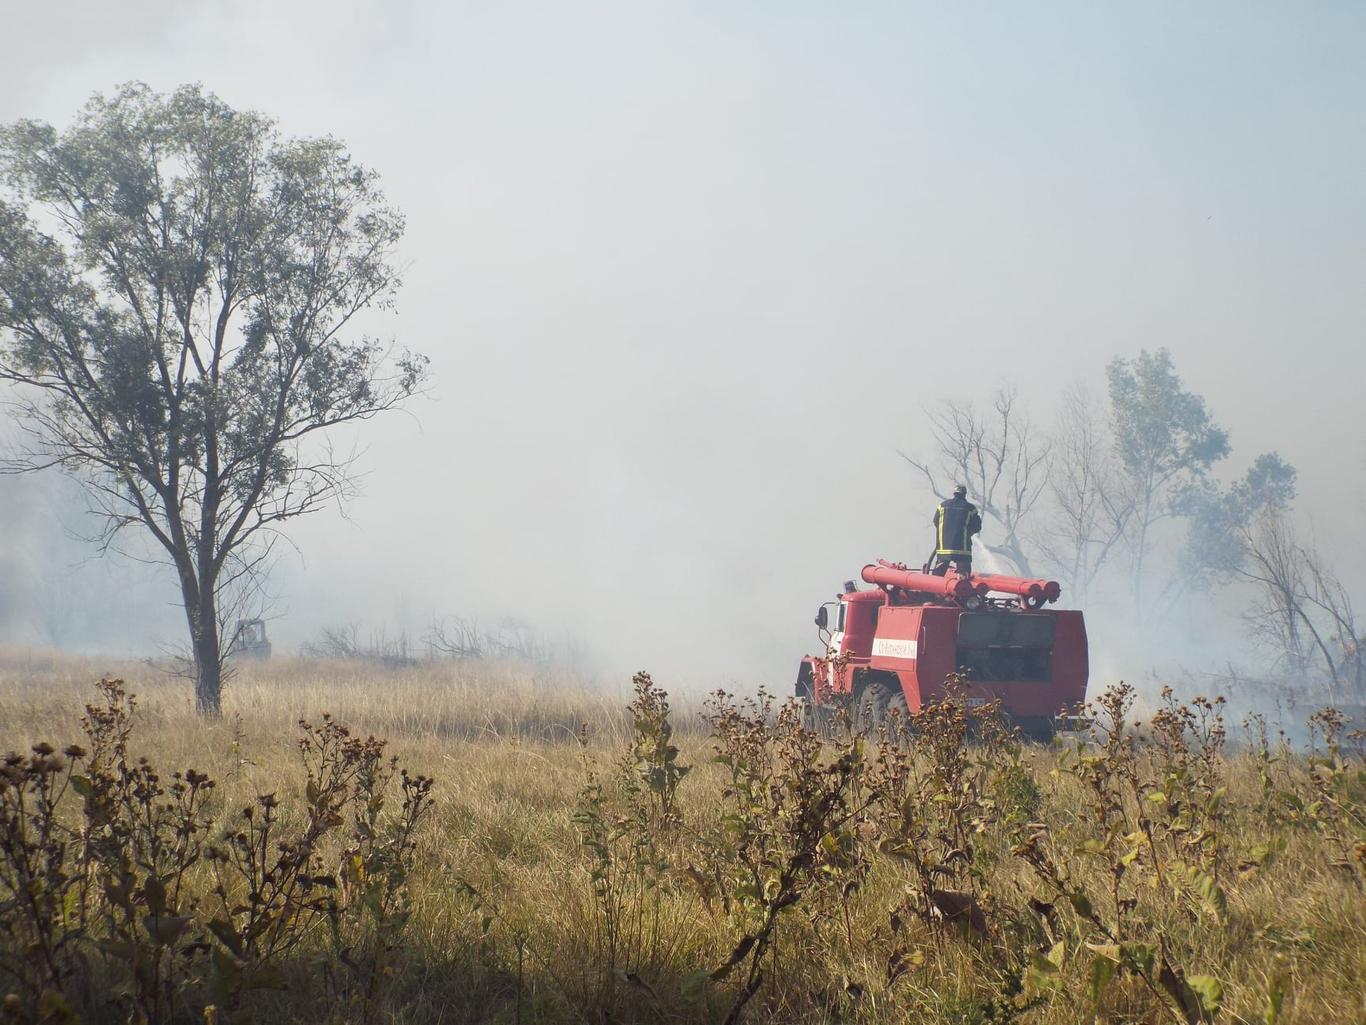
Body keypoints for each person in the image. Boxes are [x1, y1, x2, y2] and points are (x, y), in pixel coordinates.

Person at [930, 485, 982, 576]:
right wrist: (969, 533)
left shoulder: (942, 506)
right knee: (964, 577)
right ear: (964, 494)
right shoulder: (970, 508)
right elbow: (977, 527)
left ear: (954, 493)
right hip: (962, 549)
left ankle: (931, 589)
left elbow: (936, 522)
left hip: (944, 548)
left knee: (938, 575)